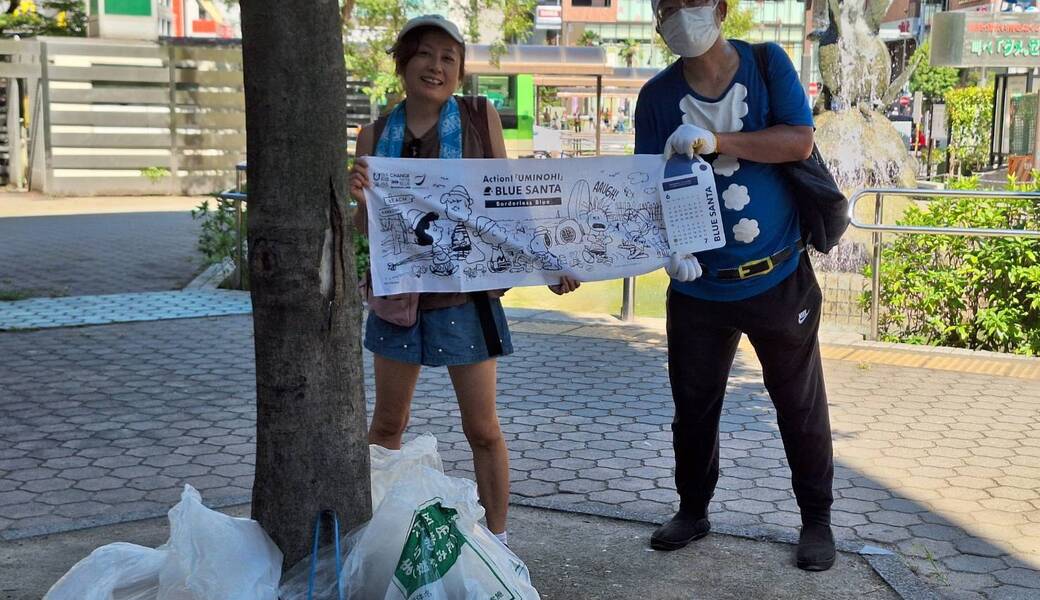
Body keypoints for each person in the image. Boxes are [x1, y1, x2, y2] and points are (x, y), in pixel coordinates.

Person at [348, 15, 580, 546]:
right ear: (403, 64)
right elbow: (371, 232)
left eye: (449, 58)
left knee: (482, 428)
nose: (436, 66)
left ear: (459, 72)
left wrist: (545, 263)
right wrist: (362, 199)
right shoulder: (376, 133)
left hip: (463, 296)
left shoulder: (478, 117)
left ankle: (498, 540)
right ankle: (371, 530)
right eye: (425, 54)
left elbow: (506, 203)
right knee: (386, 427)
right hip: (398, 299)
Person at [636, 0, 836, 571]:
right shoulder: (655, 98)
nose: (679, 15)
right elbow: (645, 185)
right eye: (665, 7)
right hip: (699, 287)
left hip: (777, 278)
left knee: (799, 404)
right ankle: (693, 510)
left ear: (720, 8)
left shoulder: (768, 64)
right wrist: (666, 249)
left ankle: (816, 519)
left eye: (690, 3)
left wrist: (717, 141)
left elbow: (798, 141)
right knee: (693, 408)